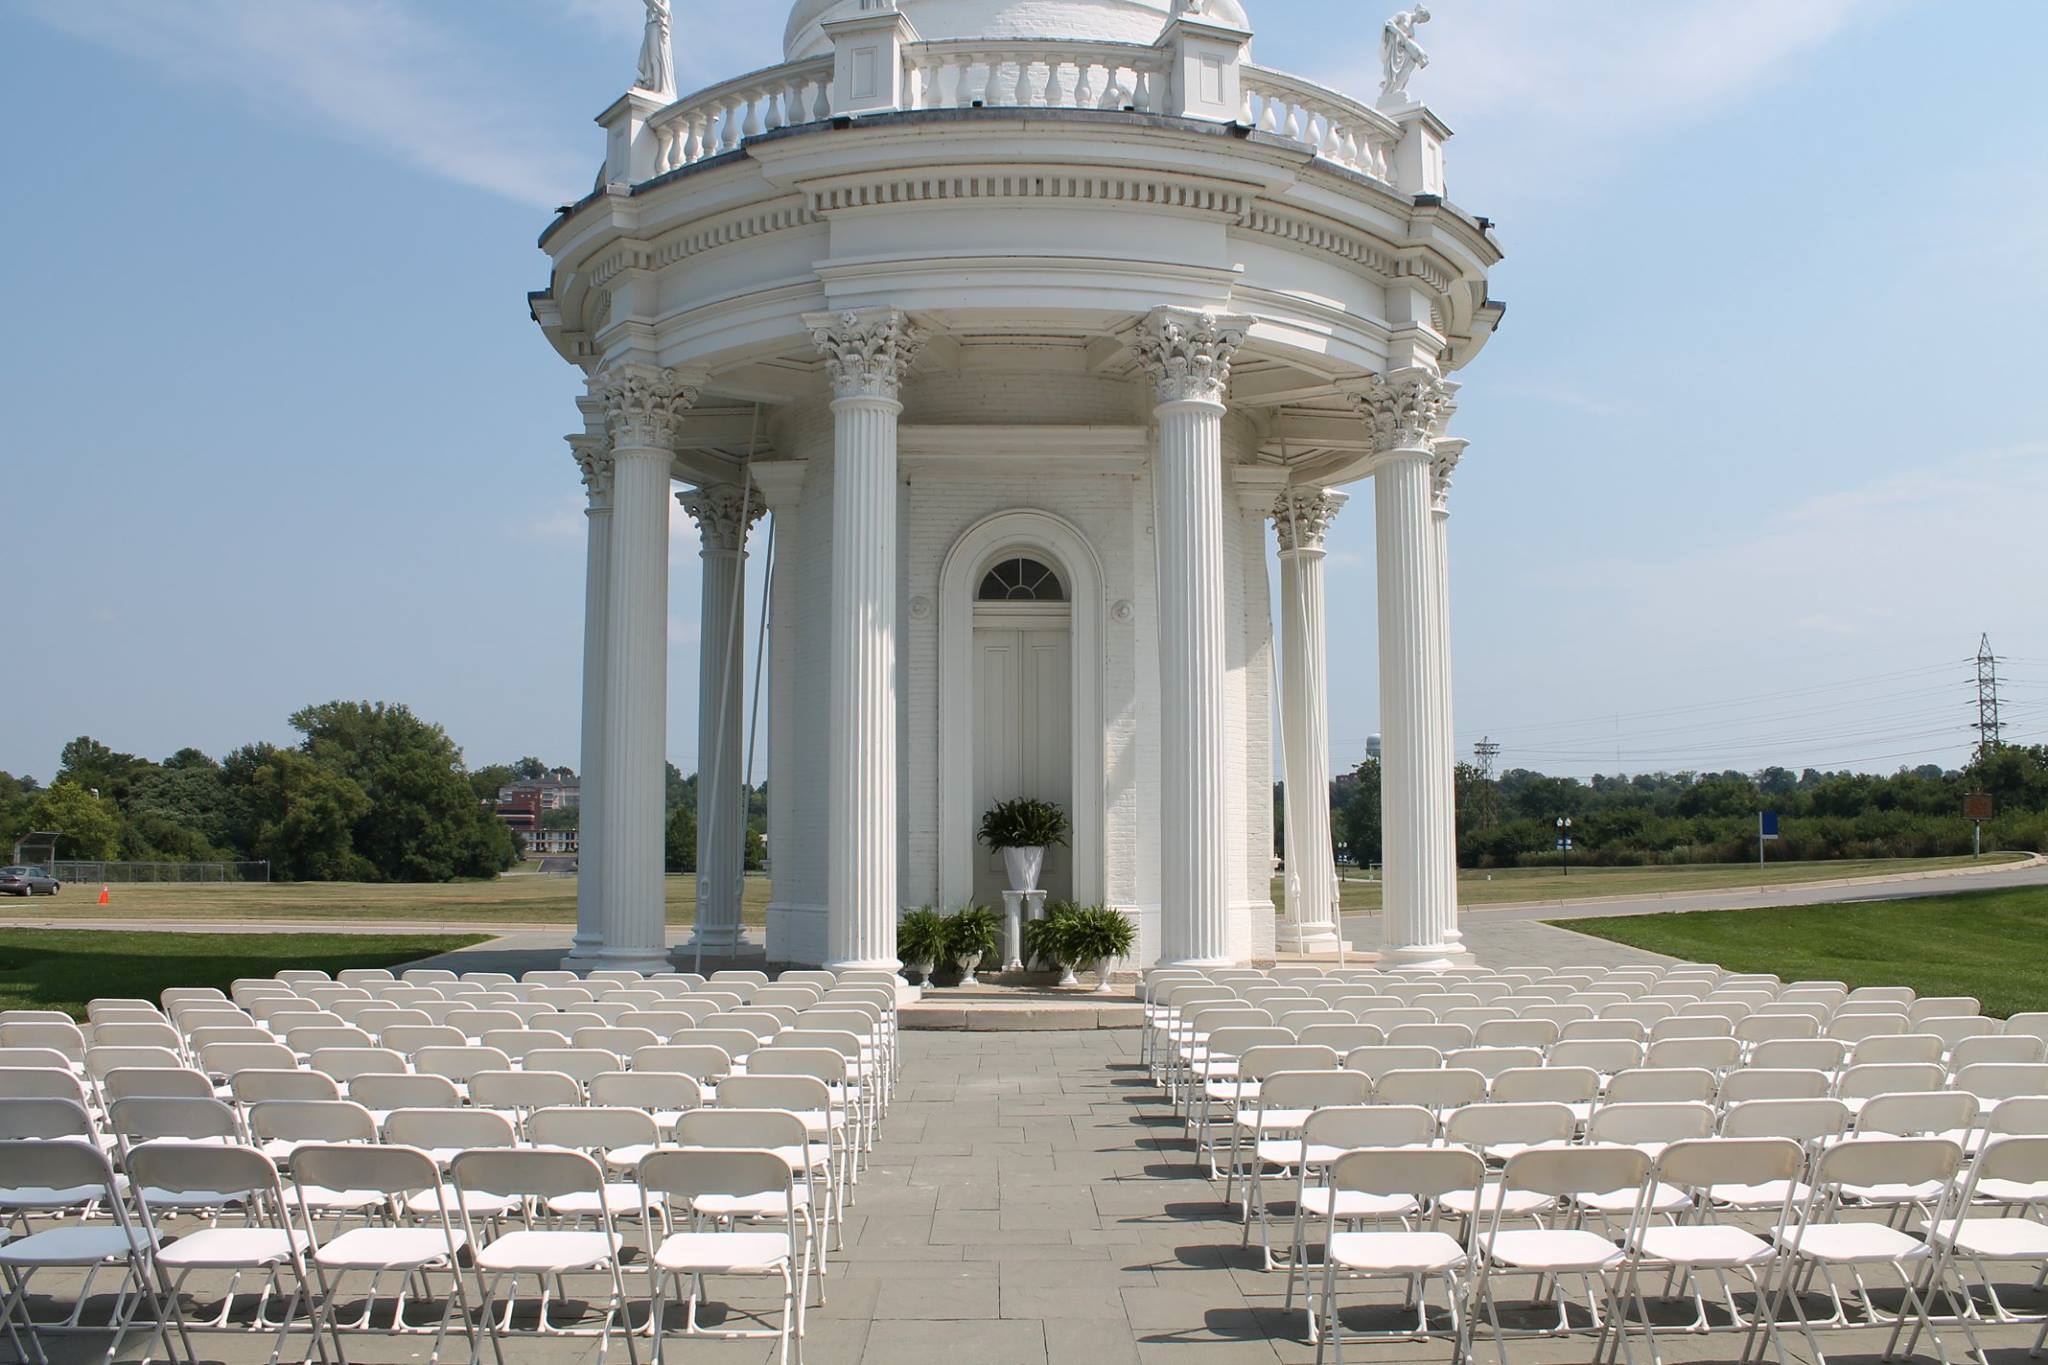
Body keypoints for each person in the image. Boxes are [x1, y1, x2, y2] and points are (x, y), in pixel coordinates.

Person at [1380, 5, 1431, 104]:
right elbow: (1388, 23)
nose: (1421, 22)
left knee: (1409, 67)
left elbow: (1410, 43)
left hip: (1404, 51)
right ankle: (1390, 91)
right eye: (1423, 19)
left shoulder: (1412, 29)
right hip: (1395, 48)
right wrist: (1399, 33)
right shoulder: (1403, 15)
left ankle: (1397, 89)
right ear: (1421, 13)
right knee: (1393, 73)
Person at [638, 0, 675, 98]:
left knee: (656, 58)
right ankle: (650, 83)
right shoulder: (651, 5)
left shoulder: (664, 0)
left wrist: (653, 3)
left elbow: (664, 12)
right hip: (649, 27)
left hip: (657, 27)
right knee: (648, 58)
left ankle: (658, 88)